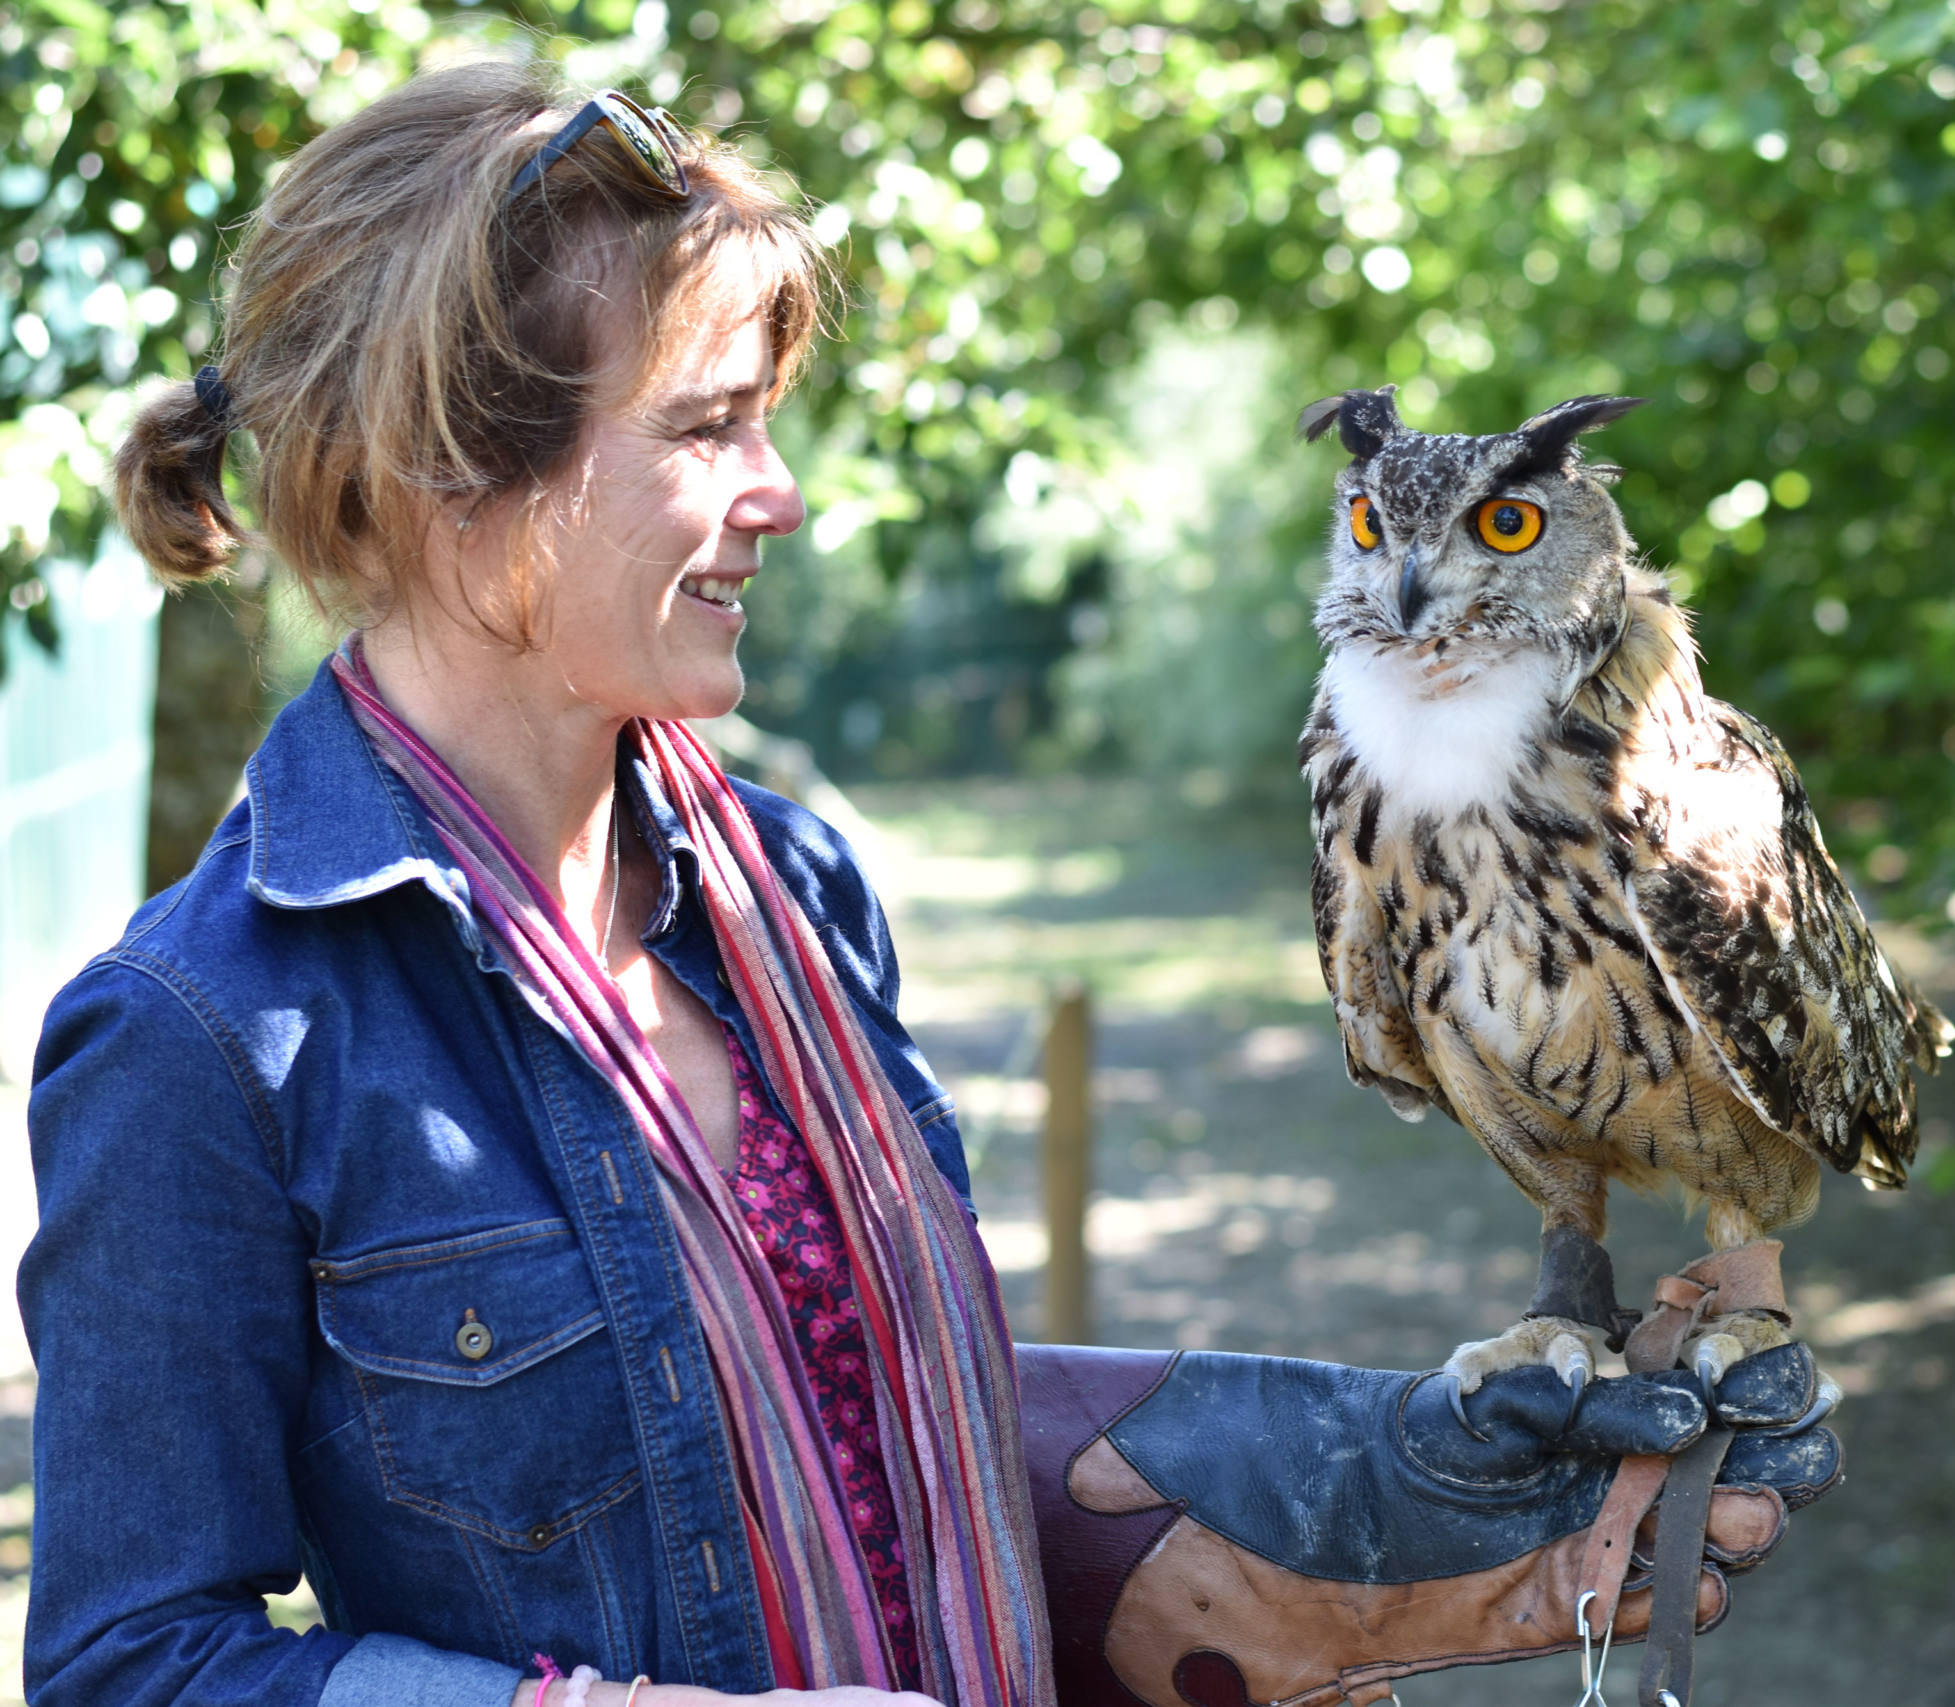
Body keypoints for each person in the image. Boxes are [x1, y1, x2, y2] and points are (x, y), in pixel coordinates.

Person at [21, 60, 1837, 1707]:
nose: (783, 491)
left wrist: (1391, 1493)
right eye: (708, 428)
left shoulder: (792, 896)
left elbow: (881, 1457)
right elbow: (130, 1667)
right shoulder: (201, 1039)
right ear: (454, 485)